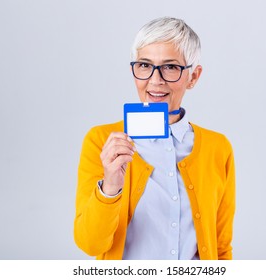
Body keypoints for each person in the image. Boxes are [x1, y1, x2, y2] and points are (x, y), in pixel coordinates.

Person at [74, 17, 236, 260]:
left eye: (170, 67)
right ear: (133, 71)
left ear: (193, 76)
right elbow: (91, 244)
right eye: (144, 65)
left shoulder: (218, 147)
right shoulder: (102, 141)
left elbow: (221, 248)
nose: (155, 80)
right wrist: (110, 187)